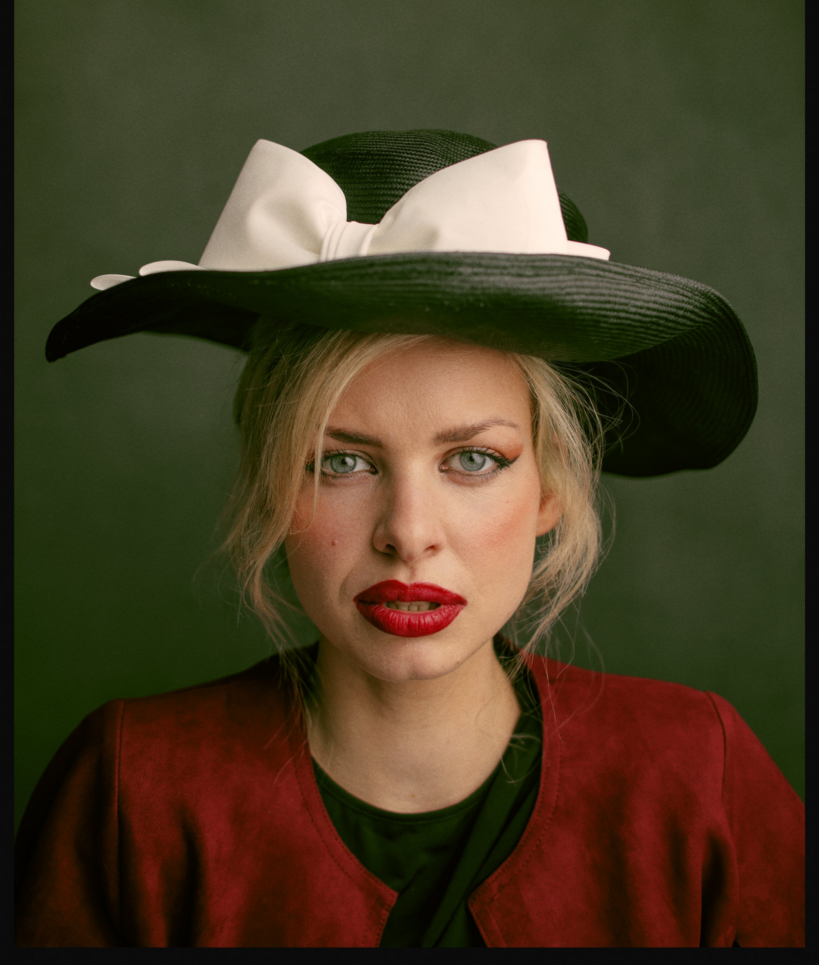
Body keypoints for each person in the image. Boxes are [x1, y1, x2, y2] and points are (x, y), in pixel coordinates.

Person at [16, 130, 804, 947]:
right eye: (342, 462)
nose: (408, 534)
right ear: (272, 486)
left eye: (472, 458)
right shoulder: (130, 789)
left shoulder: (699, 774)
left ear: (552, 488)